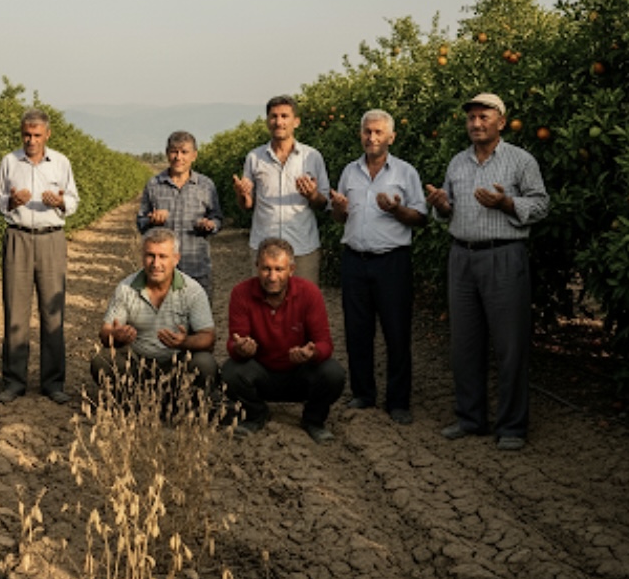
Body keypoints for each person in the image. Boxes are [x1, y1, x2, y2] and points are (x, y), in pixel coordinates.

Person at [425, 93, 549, 451]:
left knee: (510, 345)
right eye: (471, 118)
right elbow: (448, 208)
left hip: (503, 255)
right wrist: (442, 205)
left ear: (501, 122)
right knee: (465, 343)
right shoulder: (457, 163)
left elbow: (541, 204)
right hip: (462, 256)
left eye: (483, 117)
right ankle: (470, 418)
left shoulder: (520, 161)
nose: (475, 124)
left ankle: (512, 426)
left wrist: (507, 202)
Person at [329, 109, 427, 425]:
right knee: (357, 331)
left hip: (392, 262)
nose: (372, 138)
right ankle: (363, 394)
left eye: (378, 133)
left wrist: (398, 210)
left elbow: (421, 218)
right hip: (355, 260)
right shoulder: (349, 172)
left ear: (391, 137)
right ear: (361, 134)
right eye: (367, 132)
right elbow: (339, 216)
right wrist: (340, 210)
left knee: (396, 332)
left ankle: (398, 402)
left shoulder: (405, 173)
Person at [221, 237, 345, 443]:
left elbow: (325, 343)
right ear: (256, 267)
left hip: (299, 373)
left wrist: (311, 353)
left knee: (333, 373)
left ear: (291, 269)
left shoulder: (309, 293)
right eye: (266, 269)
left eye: (279, 269)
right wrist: (242, 348)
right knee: (230, 372)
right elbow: (234, 343)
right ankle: (255, 414)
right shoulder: (241, 293)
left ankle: (314, 420)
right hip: (261, 373)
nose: (272, 276)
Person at [0, 108, 79, 404]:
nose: (31, 140)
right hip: (17, 236)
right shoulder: (9, 161)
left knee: (52, 312)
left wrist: (59, 202)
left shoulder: (60, 162)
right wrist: (10, 201)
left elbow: (73, 199)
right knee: (15, 311)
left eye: (36, 135)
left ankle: (53, 382)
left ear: (47, 135)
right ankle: (14, 381)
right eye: (26, 135)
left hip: (51, 239)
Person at [92, 228, 217, 393]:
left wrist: (184, 342)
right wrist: (116, 336)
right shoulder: (126, 288)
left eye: (163, 257)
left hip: (177, 366)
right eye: (150, 255)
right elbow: (105, 333)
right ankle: (131, 403)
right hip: (136, 365)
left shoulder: (192, 290)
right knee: (103, 360)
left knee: (205, 363)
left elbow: (208, 338)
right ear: (143, 257)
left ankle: (183, 404)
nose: (155, 264)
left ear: (176, 259)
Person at [233, 95, 329, 284]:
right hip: (263, 245)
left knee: (303, 304)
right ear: (268, 121)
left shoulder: (312, 157)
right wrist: (242, 195)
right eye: (274, 116)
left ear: (296, 122)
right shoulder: (254, 157)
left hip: (303, 246)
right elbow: (247, 205)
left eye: (285, 116)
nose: (279, 122)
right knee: (264, 307)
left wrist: (312, 195)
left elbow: (325, 203)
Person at [136, 131, 222, 299]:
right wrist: (152, 220)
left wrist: (210, 225)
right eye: (174, 151)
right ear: (167, 154)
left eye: (184, 152)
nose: (178, 157)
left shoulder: (206, 185)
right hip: (162, 270)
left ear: (194, 156)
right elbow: (140, 222)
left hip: (197, 266)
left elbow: (217, 218)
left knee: (199, 321)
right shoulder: (154, 184)